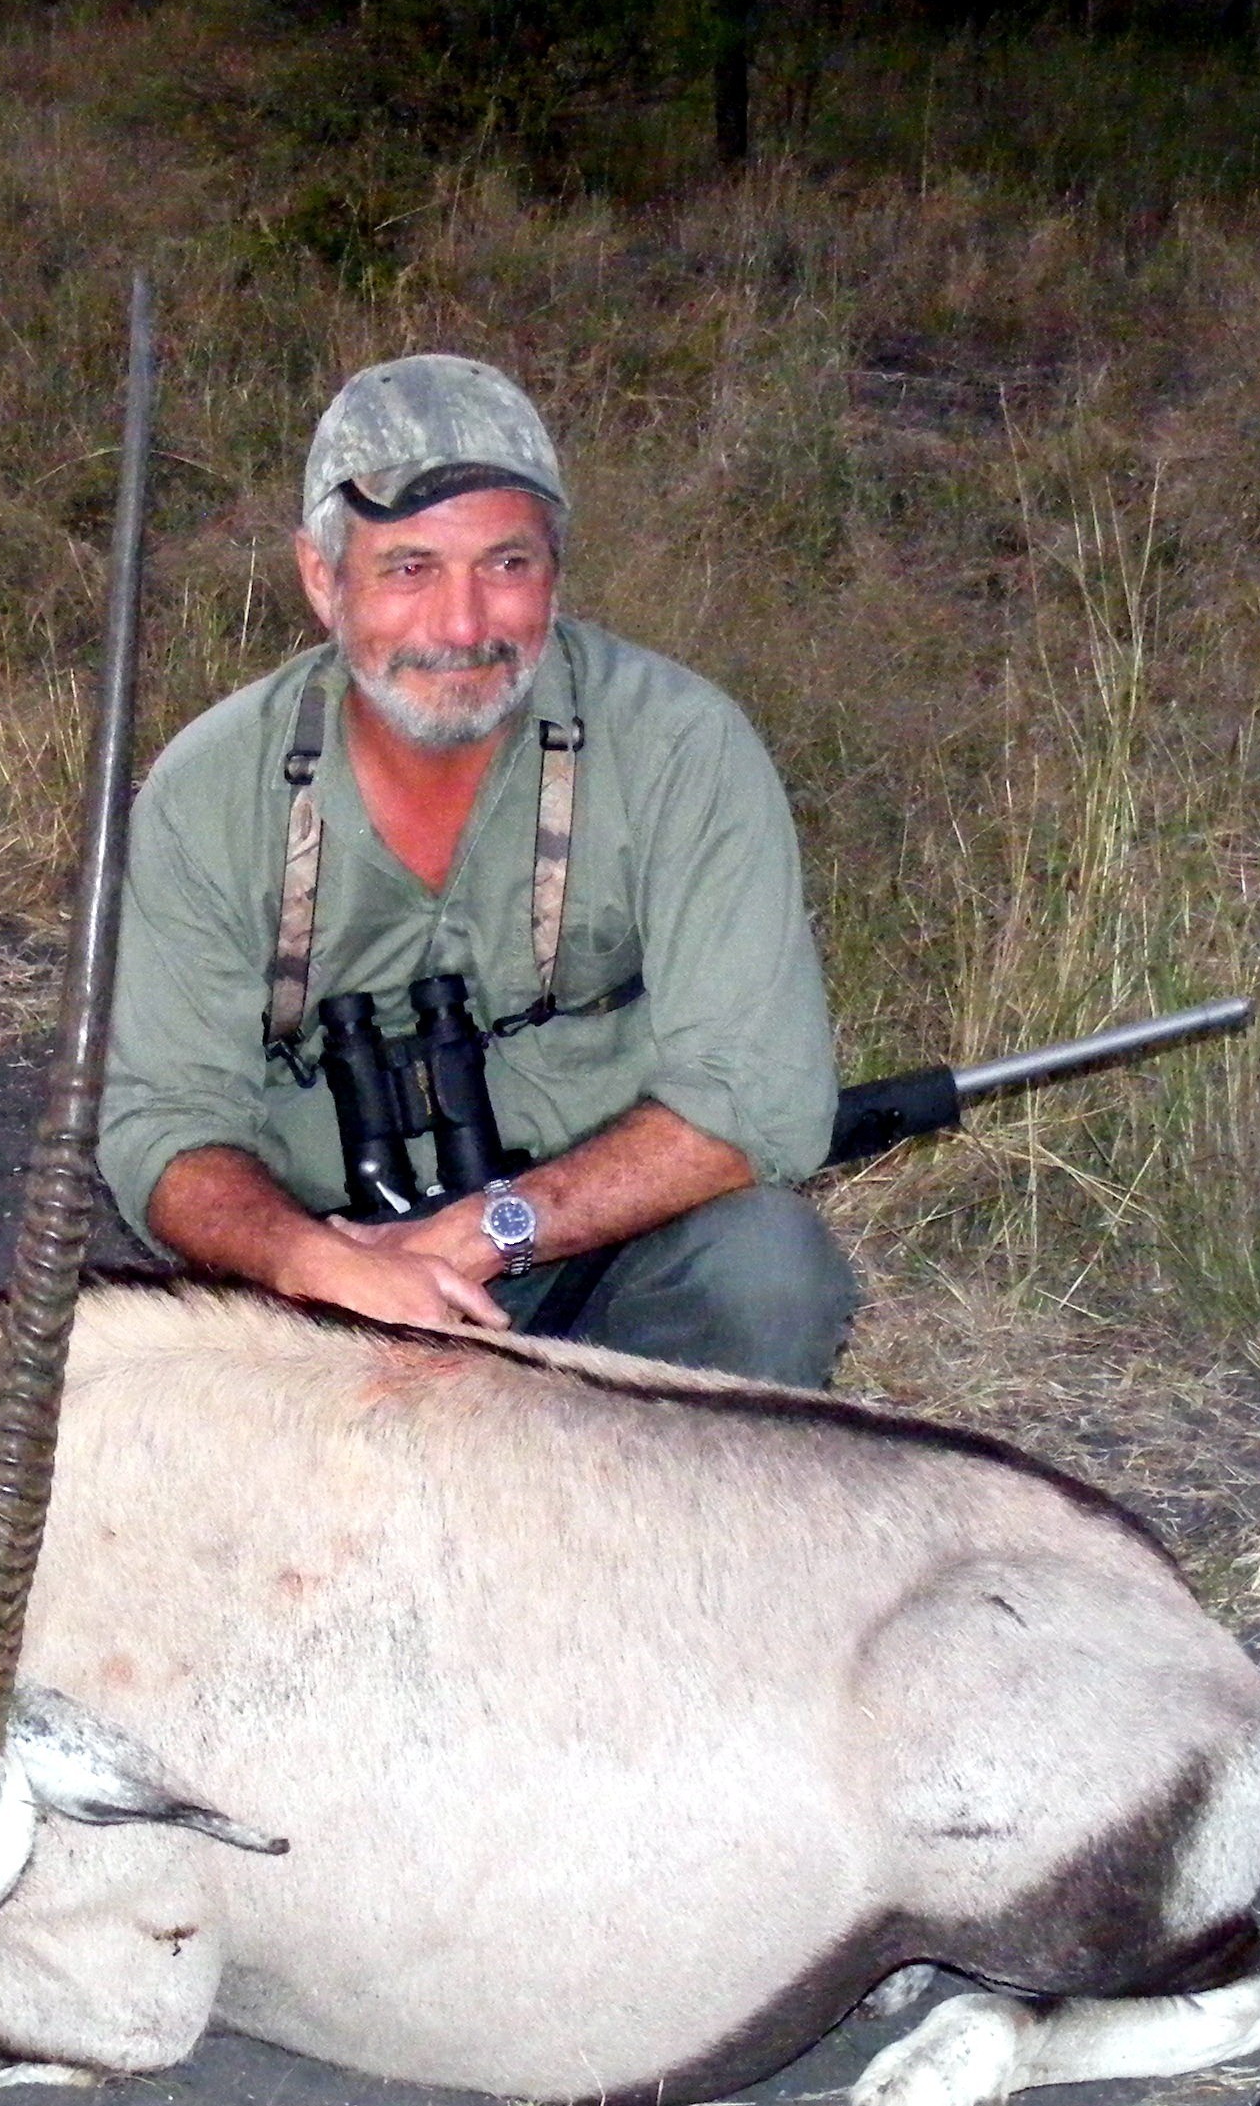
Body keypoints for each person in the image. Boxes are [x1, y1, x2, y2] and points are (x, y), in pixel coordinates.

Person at [97, 353, 857, 1388]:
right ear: (323, 580)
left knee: (772, 1271)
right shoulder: (207, 788)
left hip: (584, 1250)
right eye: (409, 569)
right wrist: (308, 1260)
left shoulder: (682, 745)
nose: (463, 626)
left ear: (556, 567)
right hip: (327, 1281)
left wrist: (488, 1232)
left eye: (507, 566)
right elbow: (163, 1124)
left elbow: (759, 1097)